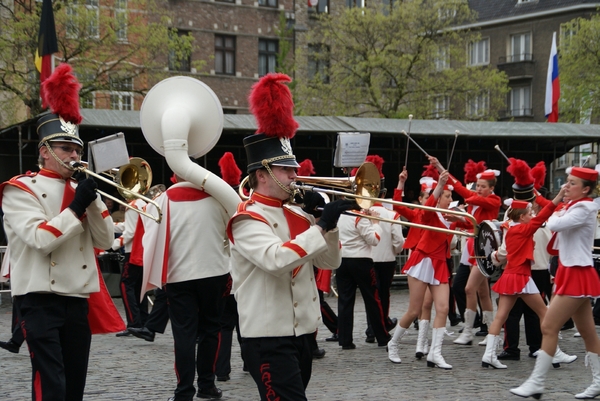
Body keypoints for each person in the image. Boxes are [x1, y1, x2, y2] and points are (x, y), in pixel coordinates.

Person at [228, 73, 356, 401]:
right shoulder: (246, 218)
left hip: (301, 334)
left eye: (294, 169)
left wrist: (326, 222)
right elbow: (276, 260)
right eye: (287, 170)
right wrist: (320, 227)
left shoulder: (297, 214)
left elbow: (330, 261)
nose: (295, 175)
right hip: (267, 337)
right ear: (261, 174)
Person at [0, 63, 114, 400]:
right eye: (66, 149)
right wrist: (77, 206)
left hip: (77, 299)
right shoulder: (21, 189)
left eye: (78, 149)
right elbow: (39, 239)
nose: (75, 155)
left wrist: (91, 201)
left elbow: (106, 240)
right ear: (45, 152)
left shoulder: (81, 188)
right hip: (39, 298)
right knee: (51, 382)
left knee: (75, 383)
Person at [511, 166, 600, 399]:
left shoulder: (585, 208)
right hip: (572, 271)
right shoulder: (574, 206)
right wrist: (558, 202)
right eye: (567, 182)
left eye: (572, 183)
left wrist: (557, 206)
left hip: (577, 272)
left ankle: (536, 382)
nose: (566, 186)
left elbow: (553, 224)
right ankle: (599, 382)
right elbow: (555, 217)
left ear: (586, 189)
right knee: (588, 333)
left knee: (549, 326)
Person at [143, 173, 230, 401]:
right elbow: (230, 230)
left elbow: (149, 240)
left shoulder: (161, 200)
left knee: (184, 334)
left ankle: (183, 392)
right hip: (214, 271)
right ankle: (207, 386)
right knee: (211, 329)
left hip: (178, 275)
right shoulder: (217, 196)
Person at [387, 170, 462, 369]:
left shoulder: (451, 216)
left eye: (450, 196)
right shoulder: (426, 213)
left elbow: (469, 225)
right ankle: (393, 344)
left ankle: (435, 353)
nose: (451, 199)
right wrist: (402, 184)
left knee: (443, 308)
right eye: (448, 196)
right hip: (422, 261)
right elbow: (399, 206)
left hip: (439, 264)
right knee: (414, 310)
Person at [430, 157, 502, 346]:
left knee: (469, 289)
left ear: (491, 188)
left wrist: (440, 169)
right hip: (472, 248)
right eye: (477, 185)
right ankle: (490, 332)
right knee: (482, 293)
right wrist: (454, 218)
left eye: (483, 186)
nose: (478, 189)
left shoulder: (493, 200)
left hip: (483, 251)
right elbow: (470, 222)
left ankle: (471, 331)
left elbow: (464, 193)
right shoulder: (475, 202)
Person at [364, 155, 404, 343]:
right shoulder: (391, 214)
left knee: (371, 295)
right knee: (384, 295)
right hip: (387, 259)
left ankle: (370, 328)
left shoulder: (362, 213)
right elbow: (398, 241)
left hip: (367, 258)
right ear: (383, 192)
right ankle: (381, 325)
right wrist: (394, 251)